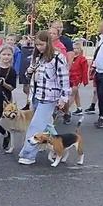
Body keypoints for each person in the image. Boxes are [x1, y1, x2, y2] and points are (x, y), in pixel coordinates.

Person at [18, 31, 70, 165]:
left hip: (49, 97)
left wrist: (64, 98)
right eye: (37, 45)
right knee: (45, 125)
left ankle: (28, 154)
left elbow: (64, 79)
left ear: (48, 43)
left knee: (36, 126)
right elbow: (30, 75)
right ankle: (60, 145)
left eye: (41, 44)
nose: (39, 47)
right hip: (36, 95)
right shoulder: (37, 57)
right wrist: (29, 72)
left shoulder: (57, 57)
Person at [69, 40, 89, 116]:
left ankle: (65, 109)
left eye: (77, 48)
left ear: (80, 50)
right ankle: (79, 108)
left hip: (77, 79)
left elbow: (85, 71)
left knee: (72, 94)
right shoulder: (70, 57)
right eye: (74, 48)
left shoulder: (82, 59)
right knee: (76, 94)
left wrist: (85, 80)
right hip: (70, 78)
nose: (75, 50)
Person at [17, 35, 34, 110]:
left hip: (32, 71)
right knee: (25, 89)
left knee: (30, 88)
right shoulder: (24, 48)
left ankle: (28, 104)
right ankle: (28, 102)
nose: (29, 41)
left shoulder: (35, 49)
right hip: (25, 69)